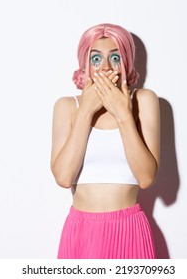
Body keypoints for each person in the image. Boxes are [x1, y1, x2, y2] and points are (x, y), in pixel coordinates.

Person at [51, 23, 160, 259]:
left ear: (127, 62)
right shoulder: (67, 106)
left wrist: (123, 114)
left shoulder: (144, 100)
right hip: (81, 232)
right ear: (85, 64)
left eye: (115, 57)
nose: (106, 67)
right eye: (96, 59)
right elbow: (63, 177)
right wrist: (85, 112)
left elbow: (146, 178)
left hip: (129, 230)